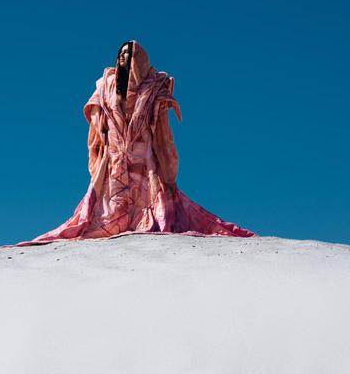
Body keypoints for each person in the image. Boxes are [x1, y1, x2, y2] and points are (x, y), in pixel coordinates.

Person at [19, 40, 256, 245]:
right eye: (121, 53)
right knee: (110, 208)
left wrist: (166, 162)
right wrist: (100, 148)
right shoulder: (106, 86)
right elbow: (97, 123)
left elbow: (162, 129)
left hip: (143, 156)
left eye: (129, 54)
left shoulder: (152, 87)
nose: (124, 57)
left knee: (148, 204)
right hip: (115, 155)